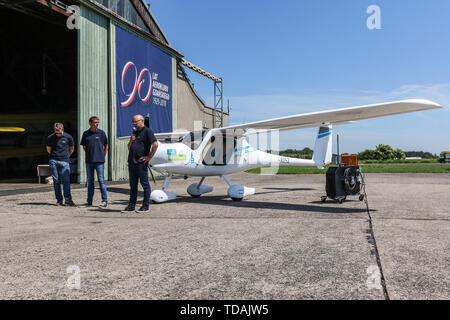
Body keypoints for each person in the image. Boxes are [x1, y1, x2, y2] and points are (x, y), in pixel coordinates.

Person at [122, 114, 158, 213]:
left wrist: (149, 157)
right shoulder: (134, 132)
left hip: (141, 163)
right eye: (133, 122)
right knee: (133, 185)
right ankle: (131, 206)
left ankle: (145, 205)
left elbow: (155, 144)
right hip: (132, 162)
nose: (134, 124)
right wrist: (131, 140)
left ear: (142, 121)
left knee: (145, 185)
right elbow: (129, 147)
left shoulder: (147, 131)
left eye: (135, 122)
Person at [80, 116, 109, 208]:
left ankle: (104, 201)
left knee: (101, 181)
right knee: (90, 181)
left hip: (99, 161)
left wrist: (102, 155)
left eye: (98, 122)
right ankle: (89, 201)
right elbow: (84, 146)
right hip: (89, 161)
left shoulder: (101, 133)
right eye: (95, 122)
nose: (96, 124)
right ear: (90, 123)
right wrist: (91, 154)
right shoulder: (86, 134)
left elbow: (106, 146)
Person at [46, 122, 75, 206]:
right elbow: (48, 149)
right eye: (56, 133)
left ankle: (68, 200)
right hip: (53, 160)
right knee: (56, 181)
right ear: (54, 131)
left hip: (64, 161)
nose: (58, 134)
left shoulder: (68, 137)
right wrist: (54, 156)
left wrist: (66, 156)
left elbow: (72, 148)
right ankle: (59, 200)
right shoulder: (50, 137)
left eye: (60, 132)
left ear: (63, 130)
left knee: (66, 181)